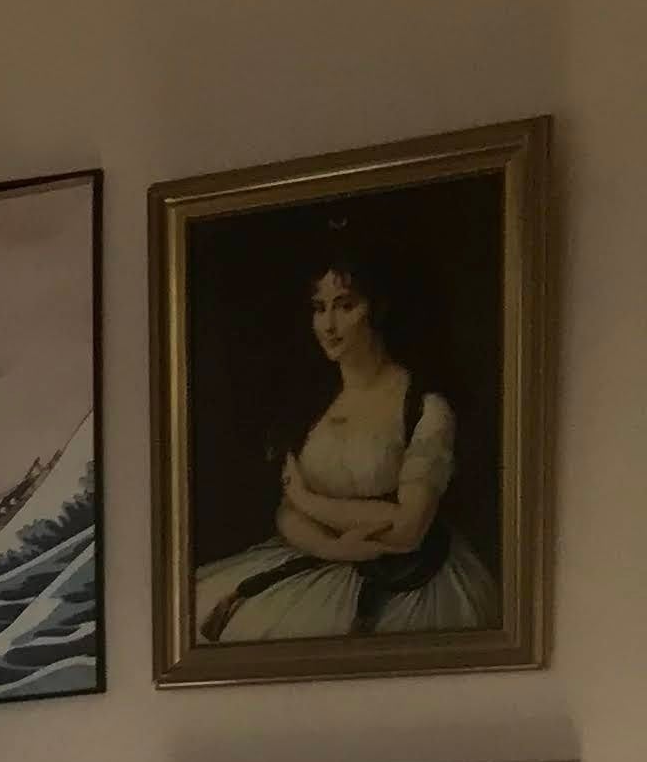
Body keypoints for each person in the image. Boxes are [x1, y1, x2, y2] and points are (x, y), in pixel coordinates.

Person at [192, 244, 499, 649]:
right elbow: (286, 513)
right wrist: (332, 546)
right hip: (318, 560)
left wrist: (307, 499)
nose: (329, 325)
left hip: (411, 584)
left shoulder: (423, 407)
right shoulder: (312, 407)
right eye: (319, 309)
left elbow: (408, 529)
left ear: (377, 309)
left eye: (345, 306)